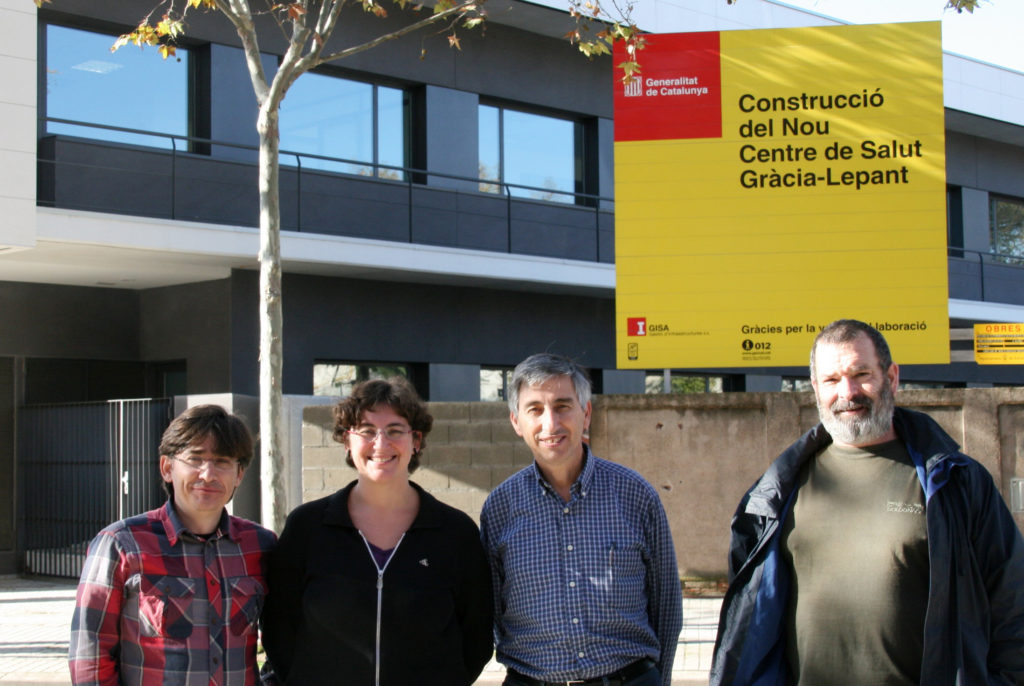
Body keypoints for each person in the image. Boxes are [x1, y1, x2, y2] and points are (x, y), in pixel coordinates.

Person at [710, 319, 1024, 686]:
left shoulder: (957, 482)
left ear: (891, 377)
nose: (848, 392)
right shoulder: (776, 492)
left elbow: (1012, 601)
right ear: (815, 388)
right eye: (831, 380)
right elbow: (748, 623)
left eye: (861, 374)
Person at [261, 377, 493, 685]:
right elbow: (279, 627)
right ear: (347, 440)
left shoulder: (455, 533)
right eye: (367, 430)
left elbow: (476, 638)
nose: (381, 443)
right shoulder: (307, 527)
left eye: (395, 430)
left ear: (416, 440)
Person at [480, 353, 682, 686]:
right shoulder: (500, 507)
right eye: (535, 410)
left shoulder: (635, 495)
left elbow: (667, 606)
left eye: (562, 406)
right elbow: (493, 614)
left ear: (586, 413)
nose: (550, 424)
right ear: (516, 422)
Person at [69, 404, 276, 686]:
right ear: (167, 468)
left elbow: (286, 642)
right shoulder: (121, 545)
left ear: (239, 474)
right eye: (195, 459)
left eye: (222, 461)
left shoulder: (261, 546)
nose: (208, 474)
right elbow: (90, 658)